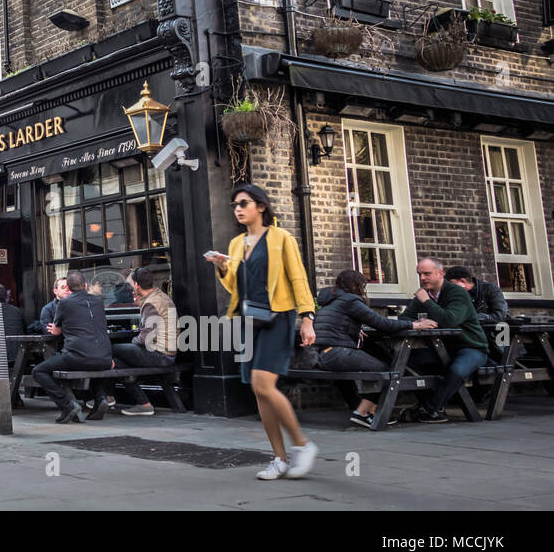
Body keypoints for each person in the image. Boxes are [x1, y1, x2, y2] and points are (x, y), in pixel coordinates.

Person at [207, 184, 318, 481]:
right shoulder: (235, 244)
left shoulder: (281, 239)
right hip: (248, 319)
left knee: (263, 384)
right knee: (259, 391)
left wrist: (307, 317)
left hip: (279, 317)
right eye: (235, 205)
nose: (238, 209)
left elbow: (298, 278)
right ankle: (279, 459)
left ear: (261, 206)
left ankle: (303, 445)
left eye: (244, 203)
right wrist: (221, 268)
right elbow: (235, 287)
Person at [313, 269, 436, 428]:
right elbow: (382, 324)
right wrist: (416, 325)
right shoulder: (350, 301)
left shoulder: (332, 300)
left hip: (324, 354)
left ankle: (371, 412)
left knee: (381, 367)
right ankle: (362, 413)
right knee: (387, 372)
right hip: (337, 353)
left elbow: (336, 325)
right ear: (358, 285)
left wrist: (356, 331)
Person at [398, 257, 489, 423]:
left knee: (457, 371)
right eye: (420, 274)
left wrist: (426, 301)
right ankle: (430, 406)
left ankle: (430, 409)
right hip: (440, 348)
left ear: (440, 273)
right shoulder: (424, 295)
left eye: (427, 274)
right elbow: (403, 318)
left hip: (471, 346)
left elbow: (449, 320)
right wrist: (415, 323)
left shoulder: (457, 293)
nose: (422, 278)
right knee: (408, 363)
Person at [31, 270, 113, 423]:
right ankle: (100, 398)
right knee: (94, 363)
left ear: (67, 288)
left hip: (77, 356)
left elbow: (55, 329)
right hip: (105, 357)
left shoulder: (64, 303)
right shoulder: (98, 302)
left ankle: (67, 405)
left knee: (38, 371)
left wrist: (58, 329)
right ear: (86, 286)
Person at [107, 267, 178, 416]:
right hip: (166, 353)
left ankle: (107, 396)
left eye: (131, 285)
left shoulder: (152, 303)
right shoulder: (159, 296)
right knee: (119, 362)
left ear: (137, 285)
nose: (130, 289)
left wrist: (132, 343)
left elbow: (146, 338)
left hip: (160, 355)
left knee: (109, 349)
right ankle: (143, 404)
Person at [446, 266, 510, 325]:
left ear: (463, 281)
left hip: (492, 333)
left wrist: (474, 317)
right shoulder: (454, 295)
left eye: (452, 283)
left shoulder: (490, 289)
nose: (450, 287)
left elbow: (500, 315)